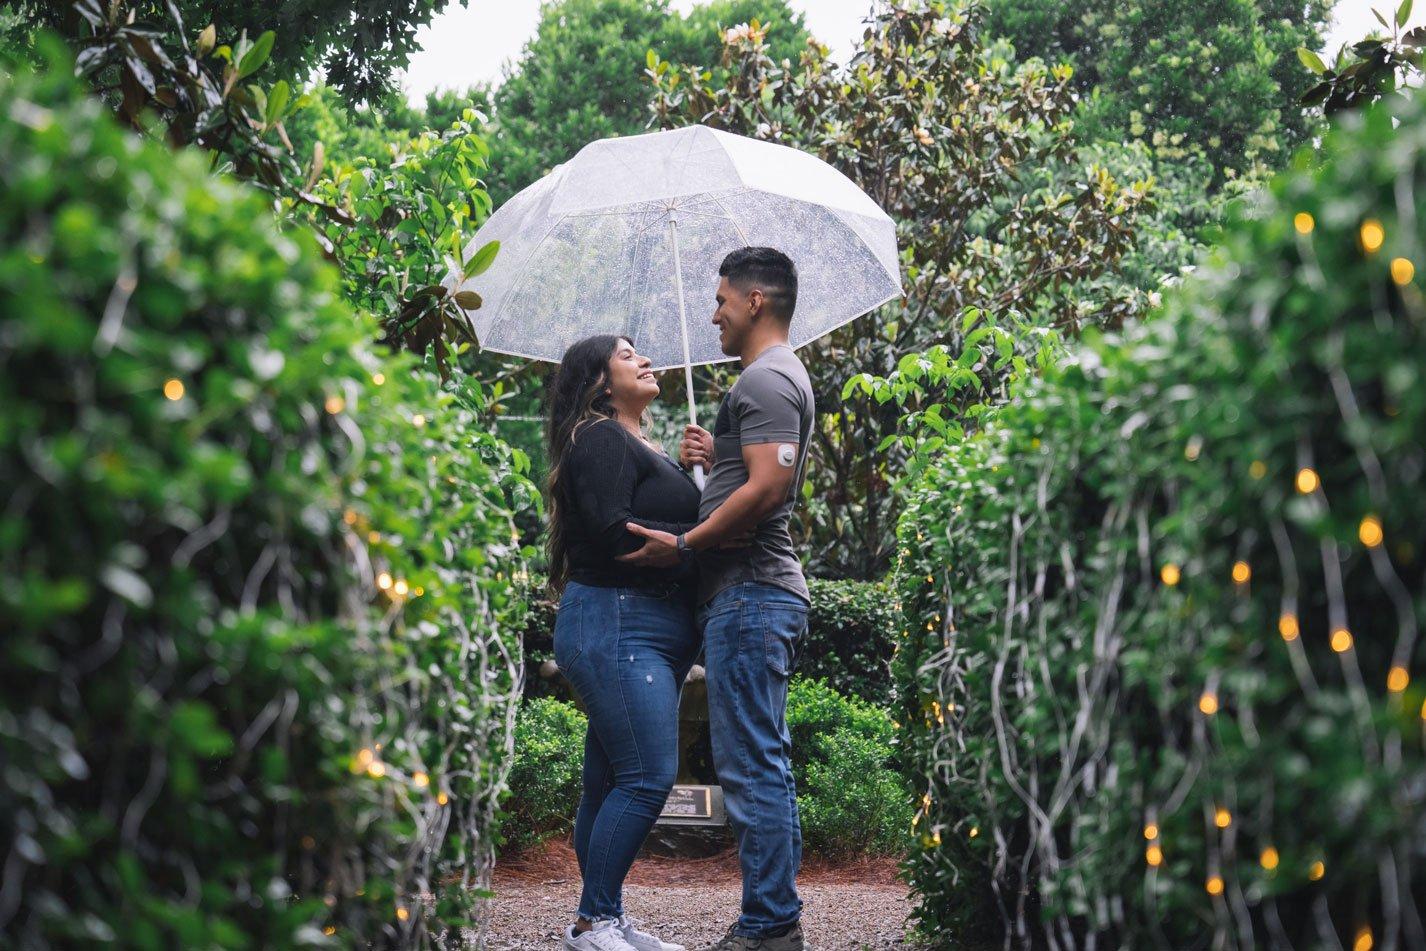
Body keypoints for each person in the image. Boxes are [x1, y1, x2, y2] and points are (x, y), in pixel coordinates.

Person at [620, 247, 814, 951]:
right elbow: (747, 478)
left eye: (723, 300)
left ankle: (769, 926)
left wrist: (685, 544)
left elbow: (767, 489)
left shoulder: (765, 379)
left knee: (752, 762)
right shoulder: (765, 382)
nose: (714, 313)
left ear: (755, 300)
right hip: (752, 594)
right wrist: (709, 461)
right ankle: (772, 921)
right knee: (759, 757)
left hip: (753, 592)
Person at [545, 334, 702, 951]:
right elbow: (617, 534)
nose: (643, 359)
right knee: (648, 776)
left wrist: (703, 467)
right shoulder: (601, 437)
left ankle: (604, 915)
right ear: (600, 382)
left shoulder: (646, 445)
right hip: (616, 621)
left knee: (609, 783)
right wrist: (703, 533)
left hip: (648, 628)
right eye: (626, 352)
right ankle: (593, 921)